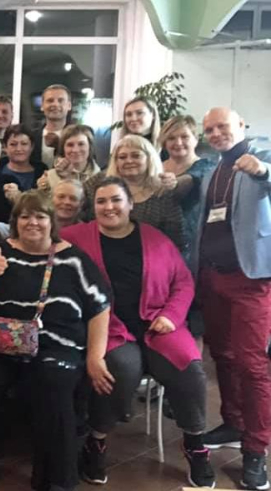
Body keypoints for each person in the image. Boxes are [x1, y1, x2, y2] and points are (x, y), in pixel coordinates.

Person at [62, 177, 214, 488]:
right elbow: (36, 243)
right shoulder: (75, 237)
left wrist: (171, 315)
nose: (109, 207)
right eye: (101, 201)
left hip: (159, 325)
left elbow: (183, 282)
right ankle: (96, 440)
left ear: (130, 204)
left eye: (116, 200)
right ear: (93, 207)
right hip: (109, 328)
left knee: (189, 368)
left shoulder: (155, 238)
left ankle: (195, 444)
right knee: (119, 369)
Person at [0, 191, 110, 491]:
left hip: (55, 344)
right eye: (25, 216)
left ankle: (56, 478)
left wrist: (95, 357)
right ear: (15, 222)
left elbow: (100, 307)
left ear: (51, 221)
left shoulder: (74, 259)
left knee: (53, 382)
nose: (33, 223)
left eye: (40, 216)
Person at [191, 107, 271, 490]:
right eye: (209, 129)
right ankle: (234, 423)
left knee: (252, 365)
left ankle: (256, 449)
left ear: (241, 125)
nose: (215, 133)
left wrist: (263, 171)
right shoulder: (212, 171)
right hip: (212, 277)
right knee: (222, 356)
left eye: (222, 126)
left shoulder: (261, 157)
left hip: (250, 280)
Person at [84, 135, 184, 251]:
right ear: (116, 162)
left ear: (149, 158)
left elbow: (176, 239)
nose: (129, 161)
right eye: (122, 157)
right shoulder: (98, 182)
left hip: (149, 255)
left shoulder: (163, 191)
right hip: (99, 251)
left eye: (136, 156)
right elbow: (76, 206)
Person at [157, 115, 216, 263]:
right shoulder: (155, 167)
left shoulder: (207, 166)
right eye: (171, 138)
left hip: (190, 246)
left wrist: (175, 183)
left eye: (184, 137)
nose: (178, 143)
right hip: (156, 242)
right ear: (164, 142)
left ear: (195, 139)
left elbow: (190, 179)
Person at [0, 125, 47, 223]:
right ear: (5, 147)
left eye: (24, 144)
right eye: (13, 144)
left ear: (31, 147)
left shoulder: (42, 171)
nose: (19, 149)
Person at [37, 125, 100, 193]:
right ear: (63, 149)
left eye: (81, 144)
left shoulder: (101, 178)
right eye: (70, 145)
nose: (75, 150)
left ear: (90, 147)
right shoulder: (49, 178)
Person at [31, 84, 73, 168]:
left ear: (69, 106)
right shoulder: (31, 137)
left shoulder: (80, 137)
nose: (55, 104)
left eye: (60, 100)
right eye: (50, 100)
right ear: (42, 106)